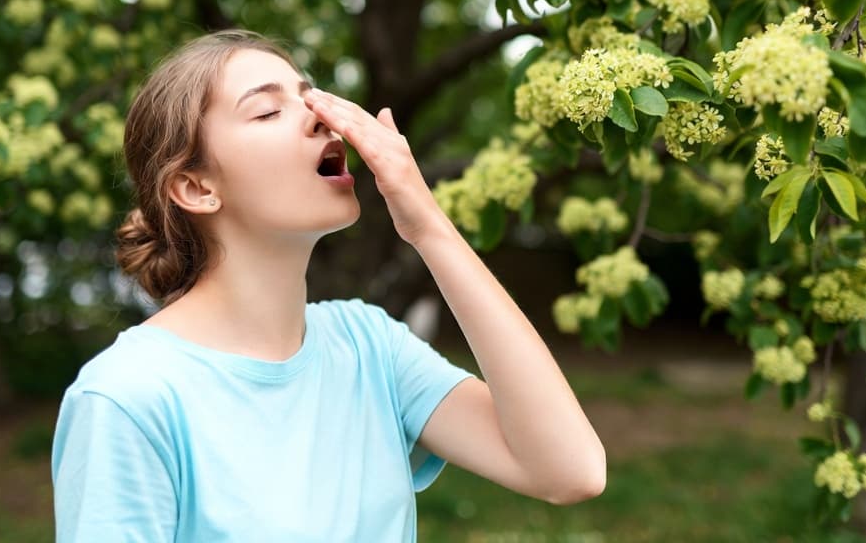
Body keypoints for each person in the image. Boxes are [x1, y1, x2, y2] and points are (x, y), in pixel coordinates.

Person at [51, 30, 605, 542]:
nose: (322, 118)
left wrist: (429, 225)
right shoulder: (127, 397)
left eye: (310, 97)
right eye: (268, 111)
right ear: (196, 188)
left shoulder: (370, 346)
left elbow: (569, 470)